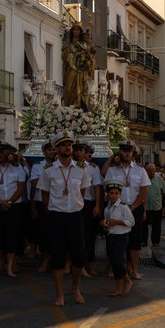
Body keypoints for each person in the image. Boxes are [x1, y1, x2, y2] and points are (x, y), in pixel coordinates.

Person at [37, 130, 91, 306]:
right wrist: (52, 211)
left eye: (69, 145)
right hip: (56, 218)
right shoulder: (48, 171)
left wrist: (75, 205)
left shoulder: (81, 170)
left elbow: (82, 192)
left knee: (78, 256)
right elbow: (44, 195)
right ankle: (59, 294)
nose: (67, 147)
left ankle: (75, 287)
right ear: (57, 148)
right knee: (58, 257)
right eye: (63, 145)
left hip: (75, 216)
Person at [103, 140, 150, 280]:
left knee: (135, 241)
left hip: (134, 208)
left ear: (132, 153)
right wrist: (112, 157)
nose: (127, 153)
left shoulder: (140, 169)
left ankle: (134, 271)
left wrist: (134, 206)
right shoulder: (113, 169)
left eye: (129, 151)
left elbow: (144, 190)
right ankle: (113, 267)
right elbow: (105, 180)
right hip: (117, 208)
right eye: (124, 150)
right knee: (115, 238)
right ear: (120, 152)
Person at [0, 140, 25, 277]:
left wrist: (9, 202)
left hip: (13, 207)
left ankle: (10, 266)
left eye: (2, 152)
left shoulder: (17, 168)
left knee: (12, 236)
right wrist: (0, 202)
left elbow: (21, 188)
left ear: (9, 153)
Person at [73, 140, 102, 277]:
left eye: (81, 150)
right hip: (72, 204)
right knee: (75, 236)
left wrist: (97, 205)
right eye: (76, 150)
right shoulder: (70, 166)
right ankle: (75, 264)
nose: (78, 153)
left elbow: (96, 187)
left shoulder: (92, 168)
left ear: (85, 152)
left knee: (89, 236)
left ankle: (88, 265)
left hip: (87, 204)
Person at [101, 178, 135, 296]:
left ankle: (127, 281)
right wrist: (105, 225)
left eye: (116, 193)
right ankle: (118, 288)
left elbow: (131, 222)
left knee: (117, 261)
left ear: (120, 194)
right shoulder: (107, 209)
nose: (114, 195)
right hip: (111, 237)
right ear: (107, 194)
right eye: (111, 193)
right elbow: (108, 227)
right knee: (113, 262)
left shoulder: (123, 207)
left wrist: (116, 222)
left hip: (121, 237)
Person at [30, 139, 55, 272]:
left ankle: (54, 258)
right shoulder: (37, 166)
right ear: (44, 151)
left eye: (53, 149)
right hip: (41, 203)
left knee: (56, 233)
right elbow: (34, 184)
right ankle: (44, 257)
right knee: (43, 233)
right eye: (49, 149)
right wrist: (33, 207)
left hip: (57, 203)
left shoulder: (59, 165)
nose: (52, 152)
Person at [61, 22, 93, 111]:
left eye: (77, 30)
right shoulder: (67, 44)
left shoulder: (85, 44)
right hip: (71, 70)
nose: (76, 32)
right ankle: (69, 110)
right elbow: (65, 57)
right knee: (70, 88)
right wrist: (79, 54)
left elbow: (91, 57)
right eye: (74, 30)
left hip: (82, 71)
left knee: (82, 89)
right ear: (71, 31)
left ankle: (81, 109)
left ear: (80, 31)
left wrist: (88, 57)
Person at [141, 163, 165, 247]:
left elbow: (163, 192)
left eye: (153, 171)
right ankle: (144, 241)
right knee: (144, 224)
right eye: (150, 171)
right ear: (146, 170)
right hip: (146, 206)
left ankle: (156, 242)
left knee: (157, 225)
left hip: (157, 206)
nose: (152, 172)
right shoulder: (143, 179)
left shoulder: (160, 179)